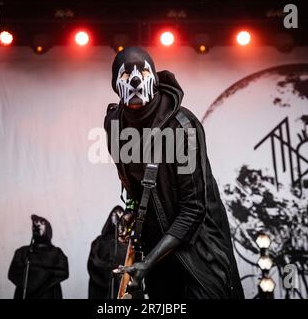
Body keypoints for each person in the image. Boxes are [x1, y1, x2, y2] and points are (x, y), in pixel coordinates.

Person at [104, 47, 244, 299]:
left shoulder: (182, 126)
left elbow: (194, 209)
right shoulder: (115, 125)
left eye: (143, 71)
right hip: (156, 257)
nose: (135, 79)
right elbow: (133, 184)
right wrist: (131, 210)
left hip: (198, 254)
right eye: (126, 75)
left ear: (155, 78)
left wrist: (148, 262)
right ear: (115, 83)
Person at [8, 214, 69, 299]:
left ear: (48, 228)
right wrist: (44, 274)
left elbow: (63, 272)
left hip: (49, 296)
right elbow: (13, 273)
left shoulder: (57, 253)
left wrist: (35, 274)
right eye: (36, 222)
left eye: (42, 222)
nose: (38, 224)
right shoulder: (22, 252)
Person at [87, 205, 128, 299]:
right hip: (100, 286)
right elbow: (93, 262)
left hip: (121, 285)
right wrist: (108, 270)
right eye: (115, 214)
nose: (117, 217)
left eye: (120, 214)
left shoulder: (127, 243)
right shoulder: (99, 241)